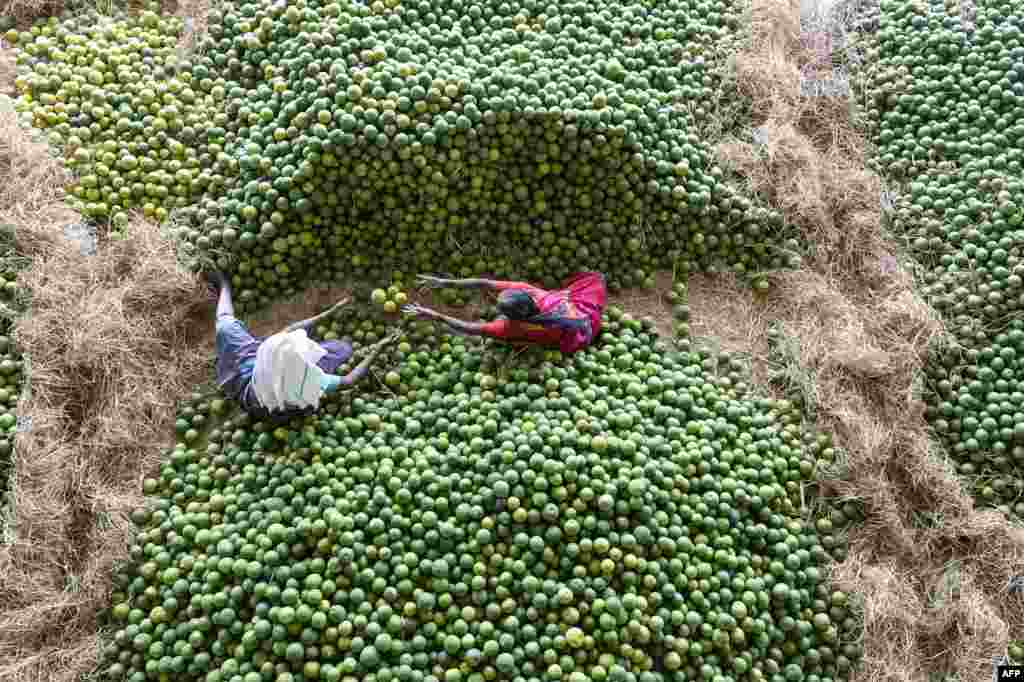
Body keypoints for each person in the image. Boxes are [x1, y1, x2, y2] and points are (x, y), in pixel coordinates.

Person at [207, 272, 396, 422]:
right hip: (269, 410)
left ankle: (224, 286)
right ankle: (224, 285)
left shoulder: (271, 351)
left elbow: (289, 331)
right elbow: (349, 380)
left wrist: (330, 312)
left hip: (249, 386)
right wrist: (380, 346)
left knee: (225, 326)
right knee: (343, 349)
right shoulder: (311, 379)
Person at [401, 271, 608, 354]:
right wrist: (445, 282)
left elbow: (471, 328)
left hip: (579, 336)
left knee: (503, 338)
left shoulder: (514, 327)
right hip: (583, 314)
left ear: (517, 316)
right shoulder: (530, 292)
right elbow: (486, 283)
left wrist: (432, 315)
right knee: (595, 278)